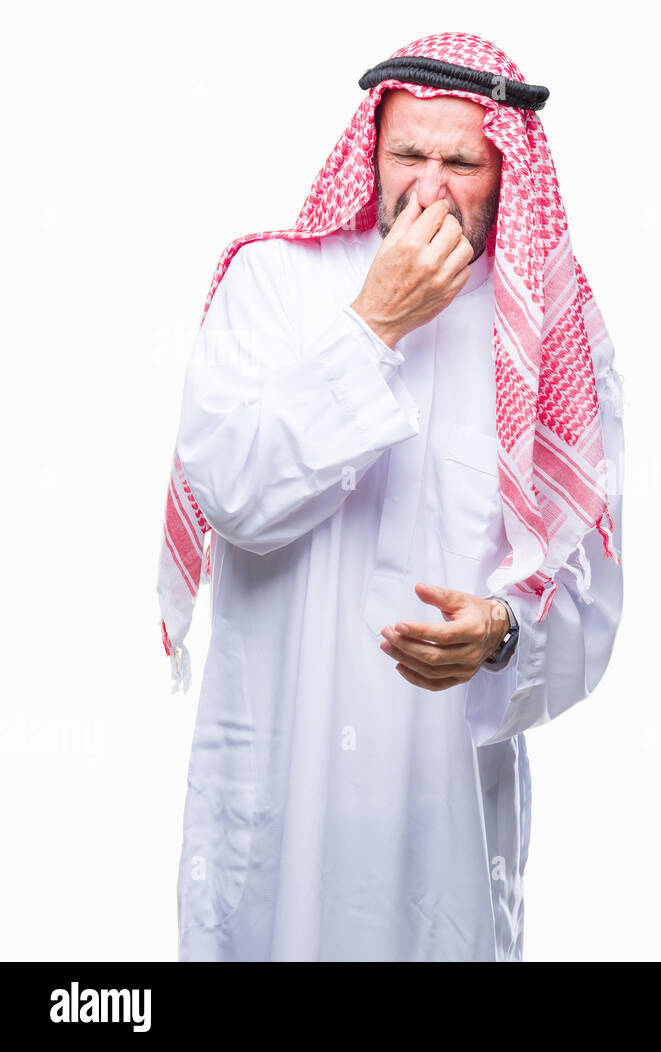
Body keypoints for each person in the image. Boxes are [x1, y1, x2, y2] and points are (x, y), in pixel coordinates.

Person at [155, 31, 624, 961]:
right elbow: (237, 496)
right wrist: (376, 323)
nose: (430, 186)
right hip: (278, 792)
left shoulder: (550, 336)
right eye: (409, 154)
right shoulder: (273, 285)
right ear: (370, 154)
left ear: (508, 171)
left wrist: (500, 635)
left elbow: (591, 609)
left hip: (439, 826)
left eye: (463, 161)